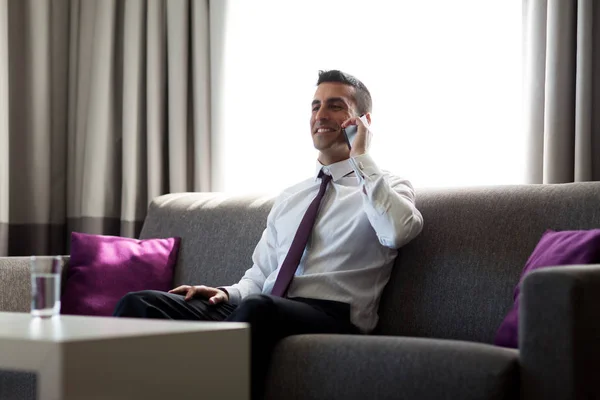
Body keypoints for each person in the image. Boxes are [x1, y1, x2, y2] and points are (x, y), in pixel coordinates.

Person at [113, 70, 424, 399]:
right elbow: (261, 274)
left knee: (259, 308)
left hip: (332, 315)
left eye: (335, 106)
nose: (320, 114)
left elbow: (396, 232)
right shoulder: (292, 197)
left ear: (363, 120)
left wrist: (362, 157)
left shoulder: (386, 187)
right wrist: (227, 294)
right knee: (141, 304)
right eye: (315, 106)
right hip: (265, 307)